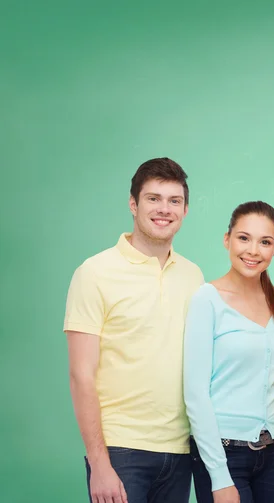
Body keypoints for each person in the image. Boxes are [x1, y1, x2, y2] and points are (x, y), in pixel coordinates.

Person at [64, 157, 204, 503]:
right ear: (133, 204)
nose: (164, 209)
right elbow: (81, 375)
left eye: (174, 201)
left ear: (185, 210)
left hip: (180, 449)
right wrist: (99, 463)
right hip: (120, 451)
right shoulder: (94, 272)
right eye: (153, 198)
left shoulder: (193, 276)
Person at [184, 201, 274, 503]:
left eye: (265, 242)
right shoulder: (207, 299)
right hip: (224, 453)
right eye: (243, 238)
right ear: (227, 240)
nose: (253, 250)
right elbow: (195, 394)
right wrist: (219, 476)